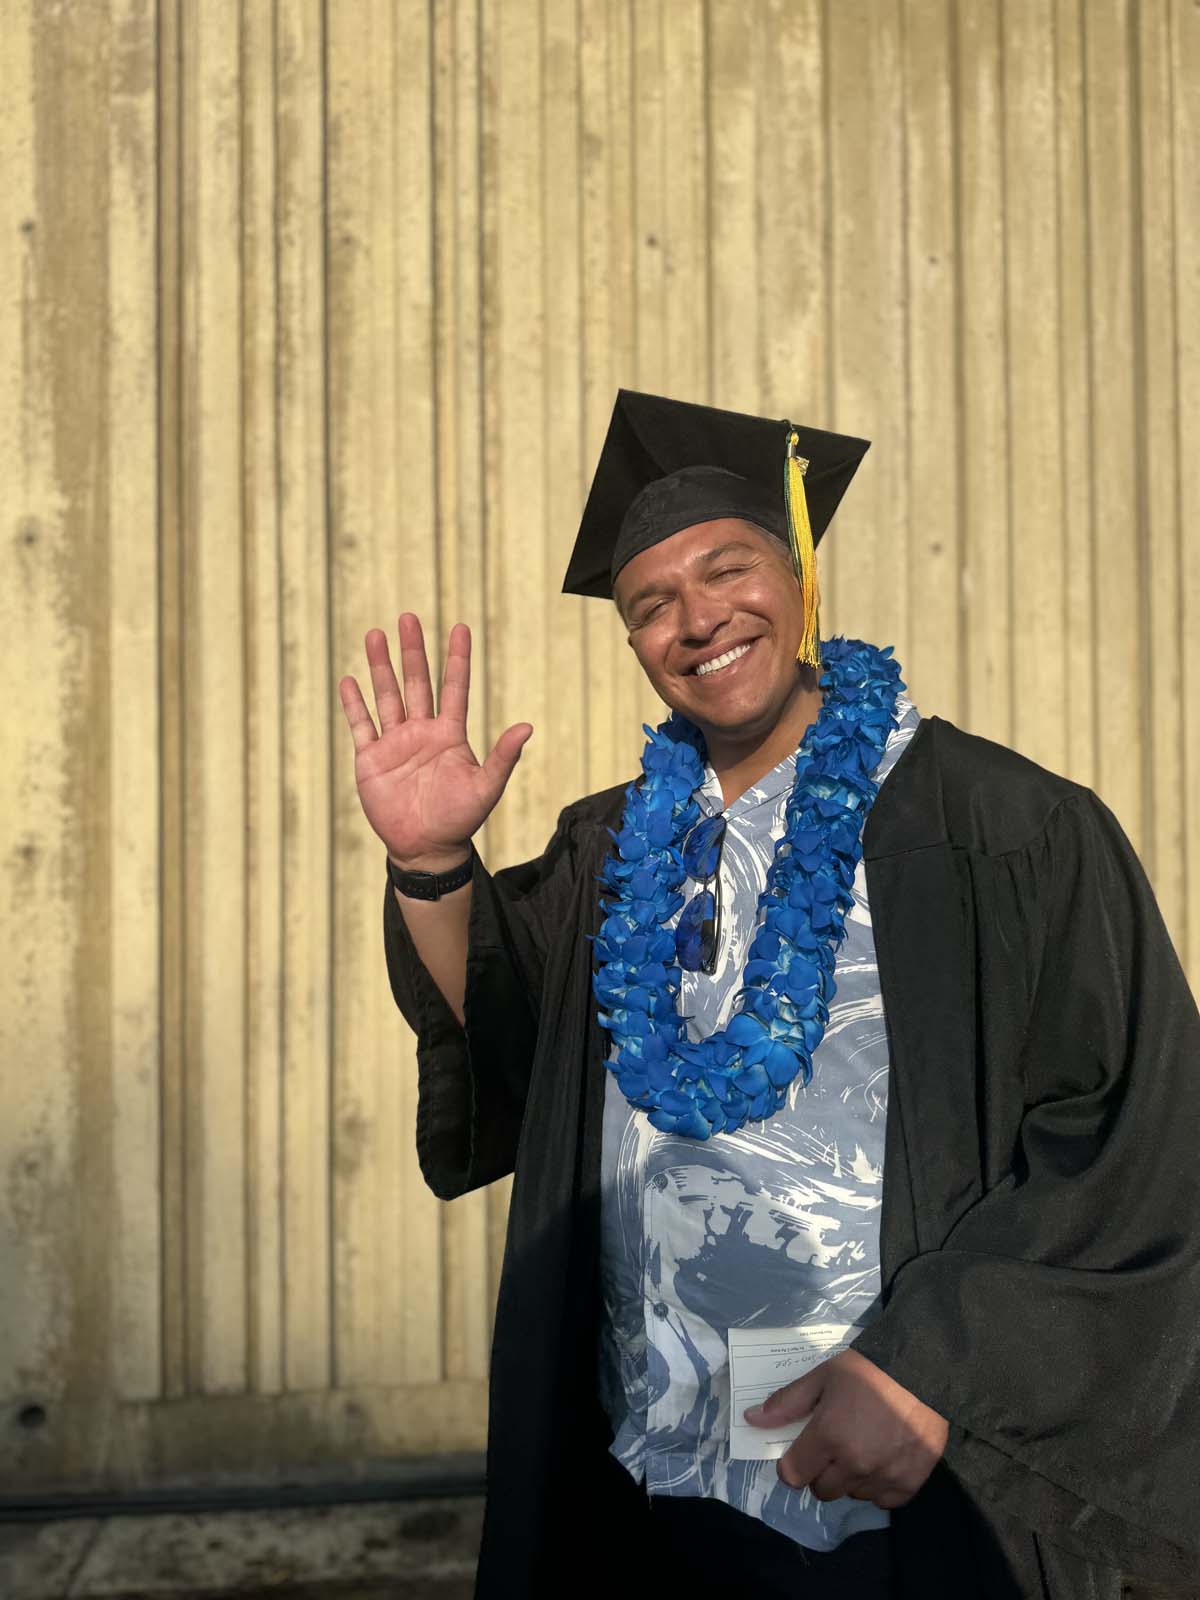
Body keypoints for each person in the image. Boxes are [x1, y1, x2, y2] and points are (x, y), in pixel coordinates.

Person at [338, 391, 1200, 1600]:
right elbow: (514, 1049)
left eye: (727, 568)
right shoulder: (617, 845)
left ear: (797, 573)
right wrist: (431, 866)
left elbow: (1130, 1137)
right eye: (652, 605)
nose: (698, 618)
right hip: (648, 1478)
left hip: (883, 1482)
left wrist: (930, 1369)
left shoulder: (999, 827)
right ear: (634, 641)